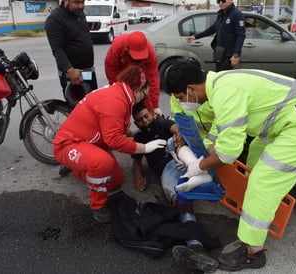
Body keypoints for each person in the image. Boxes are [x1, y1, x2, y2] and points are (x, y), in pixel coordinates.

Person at [165, 58, 296, 271]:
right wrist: (207, 153)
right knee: (254, 161)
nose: (182, 102)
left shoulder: (226, 92)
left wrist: (198, 167)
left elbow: (228, 152)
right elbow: (224, 140)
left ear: (191, 88)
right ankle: (260, 213)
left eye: (181, 97)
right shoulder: (220, 86)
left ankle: (253, 252)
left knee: (263, 179)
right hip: (286, 122)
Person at [53, 66, 167, 224]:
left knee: (114, 182)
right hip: (69, 144)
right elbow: (114, 140)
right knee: (103, 164)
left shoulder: (119, 93)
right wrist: (145, 147)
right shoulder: (116, 101)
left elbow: (113, 126)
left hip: (91, 141)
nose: (143, 99)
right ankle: (97, 205)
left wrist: (132, 134)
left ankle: (79, 167)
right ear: (137, 89)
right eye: (144, 95)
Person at [131, 102, 219, 273]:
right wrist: (138, 176)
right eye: (140, 120)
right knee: (179, 198)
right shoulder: (139, 139)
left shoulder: (161, 123)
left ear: (152, 114)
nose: (144, 121)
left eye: (146, 116)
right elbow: (136, 160)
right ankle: (196, 248)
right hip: (167, 171)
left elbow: (176, 129)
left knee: (176, 148)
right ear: (136, 123)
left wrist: (179, 139)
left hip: (182, 162)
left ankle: (197, 246)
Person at [45, 0, 98, 100]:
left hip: (88, 71)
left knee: (93, 103)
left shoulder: (79, 14)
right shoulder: (55, 19)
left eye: (83, 2)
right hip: (73, 74)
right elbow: (57, 49)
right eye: (77, 3)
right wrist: (70, 70)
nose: (81, 6)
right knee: (78, 110)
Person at [105, 31, 163, 118]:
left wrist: (155, 106)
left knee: (148, 110)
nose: (139, 59)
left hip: (139, 74)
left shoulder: (150, 53)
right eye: (136, 56)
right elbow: (112, 75)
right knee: (122, 107)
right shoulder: (117, 48)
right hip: (121, 75)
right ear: (127, 49)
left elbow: (153, 79)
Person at [186, 0, 245, 71]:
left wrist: (236, 55)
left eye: (223, 0)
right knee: (218, 74)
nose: (220, 3)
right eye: (218, 1)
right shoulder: (221, 14)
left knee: (224, 77)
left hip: (228, 55)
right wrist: (195, 37)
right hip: (219, 52)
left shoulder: (237, 15)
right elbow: (213, 28)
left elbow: (241, 35)